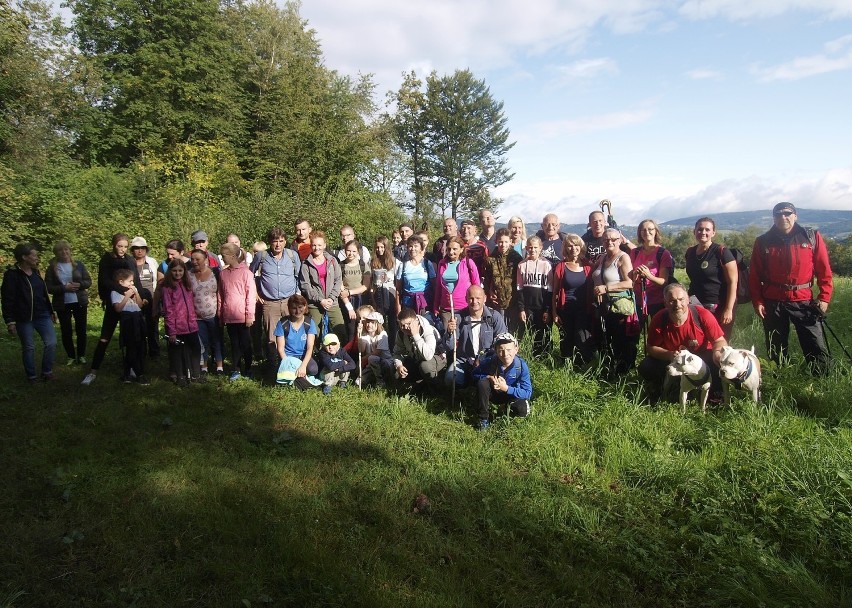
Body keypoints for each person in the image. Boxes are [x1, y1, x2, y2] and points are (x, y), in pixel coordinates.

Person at [749, 202, 833, 374]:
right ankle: (780, 378)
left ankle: (822, 381)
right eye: (778, 214)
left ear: (795, 216)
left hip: (804, 300)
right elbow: (754, 276)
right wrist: (758, 301)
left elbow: (824, 270)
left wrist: (824, 297)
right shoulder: (763, 241)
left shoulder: (810, 237)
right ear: (773, 218)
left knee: (814, 343)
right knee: (776, 346)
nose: (783, 217)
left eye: (787, 214)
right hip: (773, 301)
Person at [638, 284, 727, 399]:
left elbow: (719, 340)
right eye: (672, 301)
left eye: (681, 300)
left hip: (702, 359)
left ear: (688, 300)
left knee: (719, 361)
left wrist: (717, 352)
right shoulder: (660, 319)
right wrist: (668, 354)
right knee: (647, 366)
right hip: (675, 360)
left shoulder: (702, 315)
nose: (677, 305)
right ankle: (659, 389)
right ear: (665, 303)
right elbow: (651, 347)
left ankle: (715, 393)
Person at [82, 233, 145, 386]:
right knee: (105, 337)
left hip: (130, 306)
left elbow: (136, 279)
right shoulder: (107, 259)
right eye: (119, 246)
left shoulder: (130, 260)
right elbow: (104, 281)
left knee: (131, 339)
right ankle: (93, 371)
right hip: (115, 301)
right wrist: (122, 291)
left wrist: (142, 296)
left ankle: (131, 369)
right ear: (114, 245)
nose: (122, 249)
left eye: (125, 246)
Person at [2, 243, 58, 382]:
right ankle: (31, 376)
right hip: (23, 318)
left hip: (42, 314)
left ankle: (47, 372)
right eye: (33, 255)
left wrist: (51, 311)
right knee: (29, 347)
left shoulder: (36, 273)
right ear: (24, 257)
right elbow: (8, 299)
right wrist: (10, 321)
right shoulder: (12, 275)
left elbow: (43, 294)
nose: (36, 257)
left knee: (51, 342)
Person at [592, 227, 638, 377]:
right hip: (605, 306)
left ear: (620, 241)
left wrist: (606, 288)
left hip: (619, 306)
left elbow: (630, 283)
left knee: (621, 341)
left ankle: (623, 373)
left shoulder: (623, 257)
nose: (609, 242)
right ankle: (611, 369)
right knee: (608, 340)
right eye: (606, 239)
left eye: (613, 239)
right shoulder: (602, 257)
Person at [250, 227, 301, 364]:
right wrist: (255, 293)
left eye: (281, 241)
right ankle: (273, 366)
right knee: (272, 337)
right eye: (275, 241)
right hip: (269, 303)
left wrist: (297, 296)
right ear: (269, 242)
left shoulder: (292, 256)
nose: (278, 244)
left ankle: (290, 363)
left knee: (291, 333)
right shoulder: (261, 256)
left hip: (289, 302)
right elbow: (249, 275)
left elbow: (299, 276)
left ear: (285, 242)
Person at [444, 285, 508, 387]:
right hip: (464, 361)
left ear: (485, 299)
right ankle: (466, 388)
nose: (474, 302)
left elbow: (503, 343)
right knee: (450, 379)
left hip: (489, 361)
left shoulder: (495, 317)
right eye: (471, 298)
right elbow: (449, 347)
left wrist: (483, 358)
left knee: (494, 382)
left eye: (478, 298)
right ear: (466, 299)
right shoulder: (458, 318)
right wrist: (449, 332)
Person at [684, 217, 737, 338]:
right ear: (694, 231)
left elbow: (733, 282)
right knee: (697, 339)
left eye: (707, 230)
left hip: (717, 305)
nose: (703, 232)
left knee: (717, 341)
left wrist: (728, 309)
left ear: (713, 233)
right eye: (700, 229)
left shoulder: (722, 252)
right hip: (694, 303)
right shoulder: (690, 252)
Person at [471, 333, 532, 430]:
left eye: (509, 350)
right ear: (495, 351)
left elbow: (528, 393)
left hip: (511, 395)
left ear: (516, 350)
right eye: (501, 350)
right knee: (482, 383)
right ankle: (483, 418)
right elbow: (473, 375)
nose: (505, 354)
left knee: (522, 411)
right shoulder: (490, 361)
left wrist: (507, 388)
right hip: (493, 393)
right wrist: (488, 377)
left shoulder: (521, 365)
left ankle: (505, 411)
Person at [45, 240, 91, 365]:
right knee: (66, 330)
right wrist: (64, 288)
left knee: (81, 329)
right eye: (60, 250)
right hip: (62, 303)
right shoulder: (52, 268)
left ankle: (81, 355)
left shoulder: (79, 265)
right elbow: (48, 287)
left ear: (70, 251)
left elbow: (88, 281)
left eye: (66, 249)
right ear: (56, 253)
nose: (64, 252)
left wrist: (80, 285)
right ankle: (70, 356)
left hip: (79, 301)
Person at [552, 234, 593, 366]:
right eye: (570, 245)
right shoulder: (561, 266)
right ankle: (566, 366)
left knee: (582, 337)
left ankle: (584, 364)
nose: (573, 248)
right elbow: (555, 292)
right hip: (566, 309)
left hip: (584, 309)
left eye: (576, 245)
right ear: (566, 248)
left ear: (581, 247)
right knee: (566, 339)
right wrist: (554, 313)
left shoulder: (588, 266)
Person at [299, 230, 346, 343]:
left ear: (324, 245)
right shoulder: (306, 264)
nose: (317, 248)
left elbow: (338, 280)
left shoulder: (332, 261)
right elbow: (305, 285)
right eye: (314, 245)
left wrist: (331, 298)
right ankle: (316, 357)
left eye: (319, 245)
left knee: (341, 332)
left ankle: (340, 357)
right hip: (315, 304)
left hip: (332, 301)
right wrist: (320, 300)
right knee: (315, 334)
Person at [218, 242, 256, 381]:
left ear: (233, 256)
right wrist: (220, 314)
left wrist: (249, 315)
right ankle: (236, 368)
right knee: (234, 344)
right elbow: (220, 296)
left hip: (243, 316)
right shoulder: (223, 274)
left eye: (224, 256)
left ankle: (248, 368)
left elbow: (250, 295)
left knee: (245, 343)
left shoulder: (246, 272)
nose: (222, 259)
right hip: (229, 315)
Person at [160, 259, 201, 385]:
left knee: (195, 348)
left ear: (184, 271)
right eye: (174, 271)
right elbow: (168, 310)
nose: (177, 273)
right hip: (177, 326)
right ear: (170, 271)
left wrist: (194, 318)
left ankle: (195, 374)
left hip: (191, 325)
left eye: (180, 270)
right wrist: (171, 331)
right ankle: (180, 376)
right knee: (177, 352)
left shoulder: (187, 284)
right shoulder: (167, 287)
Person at [628, 219, 674, 323]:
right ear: (640, 233)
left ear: (656, 232)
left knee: (658, 333)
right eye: (643, 230)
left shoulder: (663, 253)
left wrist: (649, 276)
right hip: (637, 301)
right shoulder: (634, 252)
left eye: (650, 229)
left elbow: (664, 282)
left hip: (657, 302)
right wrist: (635, 274)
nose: (646, 232)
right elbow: (630, 278)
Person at [188, 249, 224, 376]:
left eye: (198, 259)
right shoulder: (188, 274)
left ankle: (219, 366)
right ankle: (204, 367)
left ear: (205, 260)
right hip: (196, 316)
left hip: (213, 314)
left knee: (216, 340)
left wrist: (221, 311)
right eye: (192, 259)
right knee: (202, 342)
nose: (194, 262)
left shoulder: (216, 273)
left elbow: (221, 293)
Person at [393, 307, 446, 391]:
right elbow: (397, 353)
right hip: (417, 359)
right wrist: (399, 365)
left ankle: (436, 389)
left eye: (409, 323)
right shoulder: (400, 333)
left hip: (437, 357)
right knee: (397, 374)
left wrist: (415, 335)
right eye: (402, 325)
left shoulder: (428, 329)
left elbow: (428, 356)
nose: (406, 327)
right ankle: (421, 384)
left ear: (416, 320)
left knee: (425, 366)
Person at [516, 235, 553, 357]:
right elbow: (519, 288)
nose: (532, 250)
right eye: (530, 247)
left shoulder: (546, 265)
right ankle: (533, 357)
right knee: (531, 332)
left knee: (544, 332)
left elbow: (550, 289)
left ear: (541, 248)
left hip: (542, 305)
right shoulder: (521, 265)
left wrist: (548, 310)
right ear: (526, 248)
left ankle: (546, 356)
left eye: (535, 247)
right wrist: (521, 309)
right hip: (528, 306)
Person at [434, 235, 481, 329]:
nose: (451, 252)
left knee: (464, 336)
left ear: (461, 249)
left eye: (455, 249)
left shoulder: (468, 263)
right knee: (449, 337)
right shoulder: (442, 263)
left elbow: (476, 286)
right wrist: (435, 306)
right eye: (449, 249)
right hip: (446, 308)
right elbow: (439, 286)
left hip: (464, 307)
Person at [111, 268, 149, 385]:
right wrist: (127, 296)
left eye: (133, 281)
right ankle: (138, 374)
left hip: (138, 319)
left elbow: (140, 305)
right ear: (121, 282)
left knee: (141, 346)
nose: (132, 284)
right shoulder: (115, 293)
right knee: (131, 347)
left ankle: (127, 373)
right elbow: (118, 308)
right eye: (130, 281)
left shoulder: (133, 290)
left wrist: (136, 294)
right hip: (128, 321)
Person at [482, 228, 522, 333]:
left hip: (513, 299)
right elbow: (487, 279)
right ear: (496, 241)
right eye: (500, 242)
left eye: (506, 242)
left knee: (513, 329)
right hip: (497, 301)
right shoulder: (491, 258)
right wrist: (490, 292)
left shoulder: (516, 258)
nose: (503, 245)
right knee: (500, 328)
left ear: (510, 242)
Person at [274, 294, 320, 379]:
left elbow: (310, 348)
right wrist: (288, 364)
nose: (298, 311)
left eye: (300, 307)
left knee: (313, 370)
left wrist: (303, 366)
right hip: (288, 357)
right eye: (294, 308)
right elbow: (280, 349)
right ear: (289, 308)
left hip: (303, 356)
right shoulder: (282, 323)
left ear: (305, 306)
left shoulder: (309, 322)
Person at [130, 236, 160, 358]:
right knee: (137, 327)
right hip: (134, 299)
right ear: (132, 250)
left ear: (146, 249)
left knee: (153, 326)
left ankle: (154, 353)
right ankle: (140, 352)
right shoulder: (129, 262)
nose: (140, 251)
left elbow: (158, 280)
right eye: (136, 248)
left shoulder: (152, 262)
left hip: (152, 298)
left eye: (142, 248)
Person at [370, 236, 400, 349]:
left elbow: (398, 282)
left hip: (390, 294)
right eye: (377, 247)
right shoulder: (373, 262)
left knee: (392, 324)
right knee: (379, 323)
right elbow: (372, 283)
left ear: (386, 247)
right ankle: (380, 347)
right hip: (378, 295)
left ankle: (393, 348)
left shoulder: (394, 261)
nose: (380, 250)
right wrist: (372, 298)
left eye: (382, 247)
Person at [339, 239, 371, 344]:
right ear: (344, 251)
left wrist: (350, 292)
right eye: (348, 251)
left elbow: (365, 286)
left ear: (358, 252)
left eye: (354, 251)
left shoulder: (363, 266)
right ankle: (350, 352)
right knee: (350, 328)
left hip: (361, 300)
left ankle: (363, 351)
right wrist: (349, 306)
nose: (351, 253)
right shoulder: (340, 266)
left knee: (363, 326)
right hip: (346, 301)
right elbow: (340, 287)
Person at [395, 235, 435, 316]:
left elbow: (434, 286)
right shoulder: (403, 266)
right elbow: (398, 290)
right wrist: (398, 309)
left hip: (425, 303)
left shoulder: (427, 264)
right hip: (408, 304)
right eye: (410, 246)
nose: (413, 249)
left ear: (421, 248)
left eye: (416, 246)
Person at [356, 306, 394, 388]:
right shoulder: (365, 335)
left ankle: (380, 381)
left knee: (372, 358)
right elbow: (361, 350)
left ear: (378, 324)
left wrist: (363, 359)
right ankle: (373, 377)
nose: (369, 325)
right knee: (358, 382)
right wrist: (359, 335)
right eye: (368, 322)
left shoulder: (382, 335)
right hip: (371, 364)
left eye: (373, 323)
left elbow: (378, 352)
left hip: (385, 362)